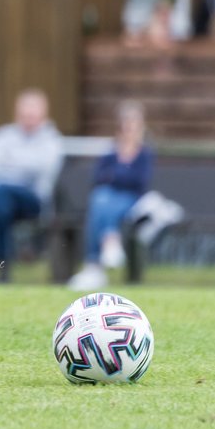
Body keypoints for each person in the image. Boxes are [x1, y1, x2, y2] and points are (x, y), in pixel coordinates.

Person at [0, 88, 65, 282]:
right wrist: (23, 168)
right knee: (1, 204)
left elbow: (45, 168)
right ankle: (17, 253)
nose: (29, 119)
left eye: (33, 115)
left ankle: (1, 261)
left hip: (33, 201)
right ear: (17, 114)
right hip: (4, 198)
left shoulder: (51, 139)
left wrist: (11, 167)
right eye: (25, 115)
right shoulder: (4, 135)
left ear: (43, 115)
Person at [67, 101, 155, 290]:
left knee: (102, 201)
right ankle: (110, 238)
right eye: (126, 123)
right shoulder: (110, 152)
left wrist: (116, 177)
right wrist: (120, 177)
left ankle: (93, 264)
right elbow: (98, 178)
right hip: (108, 198)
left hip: (131, 200)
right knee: (100, 198)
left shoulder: (144, 154)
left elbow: (138, 182)